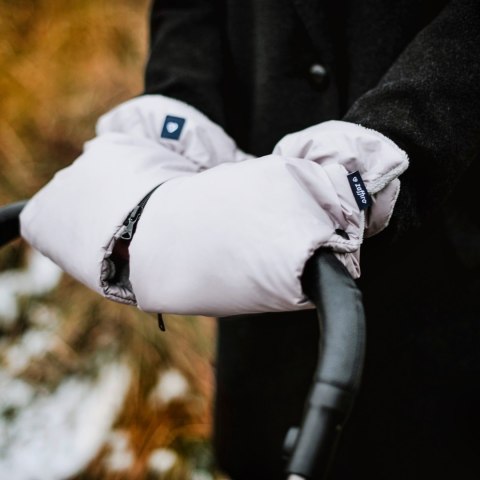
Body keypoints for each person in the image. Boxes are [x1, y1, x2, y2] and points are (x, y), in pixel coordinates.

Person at [20, 1, 480, 479]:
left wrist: (384, 148)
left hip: (439, 252)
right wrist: (178, 113)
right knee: (265, 439)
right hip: (253, 224)